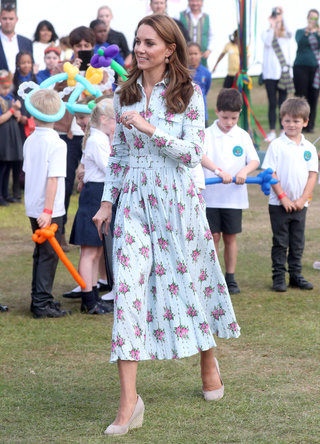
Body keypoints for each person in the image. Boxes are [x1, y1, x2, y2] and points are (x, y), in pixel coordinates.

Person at [93, 14, 240, 436]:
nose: (139, 49)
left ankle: (208, 357)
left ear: (169, 48)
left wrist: (150, 127)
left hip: (178, 204)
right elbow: (118, 156)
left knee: (191, 281)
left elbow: (192, 153)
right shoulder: (124, 93)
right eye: (137, 41)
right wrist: (107, 204)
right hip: (134, 206)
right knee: (129, 295)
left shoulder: (189, 94)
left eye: (149, 43)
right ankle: (128, 403)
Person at [52, 26, 111, 251]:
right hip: (67, 134)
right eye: (79, 46)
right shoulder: (62, 67)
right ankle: (61, 232)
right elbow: (52, 94)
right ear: (72, 47)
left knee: (93, 183)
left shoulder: (103, 70)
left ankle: (96, 230)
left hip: (93, 134)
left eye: (87, 46)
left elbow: (107, 100)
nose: (83, 49)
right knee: (64, 184)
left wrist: (93, 78)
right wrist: (70, 74)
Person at [201, 88, 260, 294]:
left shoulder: (242, 135)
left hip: (233, 198)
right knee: (213, 237)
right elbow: (200, 156)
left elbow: (254, 160)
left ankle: (230, 278)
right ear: (216, 111)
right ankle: (213, 278)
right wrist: (219, 172)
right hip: (210, 197)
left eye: (234, 118)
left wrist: (243, 171)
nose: (229, 122)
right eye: (225, 117)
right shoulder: (207, 134)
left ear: (240, 114)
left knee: (230, 237)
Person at [22, 88, 71, 318]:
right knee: (49, 254)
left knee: (41, 252)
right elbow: (53, 178)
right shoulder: (57, 143)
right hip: (49, 210)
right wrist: (49, 211)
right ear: (58, 113)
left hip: (34, 206)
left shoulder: (30, 139)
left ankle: (39, 299)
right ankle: (42, 304)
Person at [262, 97, 318, 292]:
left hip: (301, 205)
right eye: (287, 120)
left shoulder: (309, 148)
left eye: (296, 121)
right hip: (279, 204)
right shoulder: (276, 145)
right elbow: (271, 174)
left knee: (297, 242)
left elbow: (312, 177)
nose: (291, 125)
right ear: (281, 120)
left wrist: (302, 200)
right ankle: (278, 277)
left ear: (305, 122)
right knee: (280, 241)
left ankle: (296, 275)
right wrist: (283, 197)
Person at [69, 98, 115, 314]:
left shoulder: (100, 137)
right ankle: (88, 301)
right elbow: (110, 169)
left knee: (96, 252)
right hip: (94, 195)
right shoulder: (97, 140)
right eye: (116, 121)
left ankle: (93, 297)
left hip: (99, 193)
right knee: (89, 252)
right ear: (104, 119)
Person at [262, 6, 294, 143]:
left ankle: (283, 131)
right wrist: (272, 25)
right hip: (270, 74)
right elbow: (268, 41)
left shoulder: (286, 36)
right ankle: (272, 132)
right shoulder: (266, 32)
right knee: (272, 103)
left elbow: (291, 33)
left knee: (283, 104)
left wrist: (282, 17)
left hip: (284, 74)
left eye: (279, 16)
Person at [11, 50, 38, 202]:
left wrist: (31, 120)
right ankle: (16, 190)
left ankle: (30, 188)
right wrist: (18, 116)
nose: (26, 65)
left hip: (32, 124)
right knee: (18, 157)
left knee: (32, 157)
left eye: (28, 62)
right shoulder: (14, 83)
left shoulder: (36, 81)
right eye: (23, 63)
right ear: (17, 64)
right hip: (17, 125)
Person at [293, 9, 320, 134]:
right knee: (301, 96)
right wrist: (308, 31)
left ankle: (310, 125)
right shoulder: (300, 32)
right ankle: (299, 123)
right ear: (307, 18)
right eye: (311, 18)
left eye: (315, 18)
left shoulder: (318, 34)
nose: (313, 20)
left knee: (313, 96)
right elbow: (300, 42)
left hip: (315, 68)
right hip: (300, 66)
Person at [0, 69, 22, 207]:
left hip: (11, 136)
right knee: (1, 168)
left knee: (8, 167)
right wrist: (12, 110)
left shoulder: (9, 98)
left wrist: (17, 115)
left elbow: (15, 119)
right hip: (2, 138)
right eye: (4, 88)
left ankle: (6, 194)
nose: (6, 90)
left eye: (8, 88)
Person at [175, 0, 214, 67]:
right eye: (192, 1)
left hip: (202, 55)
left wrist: (209, 50)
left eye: (197, 1)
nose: (195, 3)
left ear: (202, 2)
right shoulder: (179, 15)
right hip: (184, 53)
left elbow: (212, 36)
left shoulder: (208, 17)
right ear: (188, 2)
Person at [0, 4, 33, 72]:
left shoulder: (27, 42)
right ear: (0, 19)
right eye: (4, 18)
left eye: (11, 18)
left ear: (16, 19)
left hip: (23, 81)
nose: (8, 22)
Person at [188, 41, 211, 127]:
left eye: (195, 53)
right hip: (186, 110)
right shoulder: (183, 72)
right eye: (190, 54)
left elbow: (206, 89)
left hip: (202, 112)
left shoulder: (206, 73)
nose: (193, 56)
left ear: (201, 54)